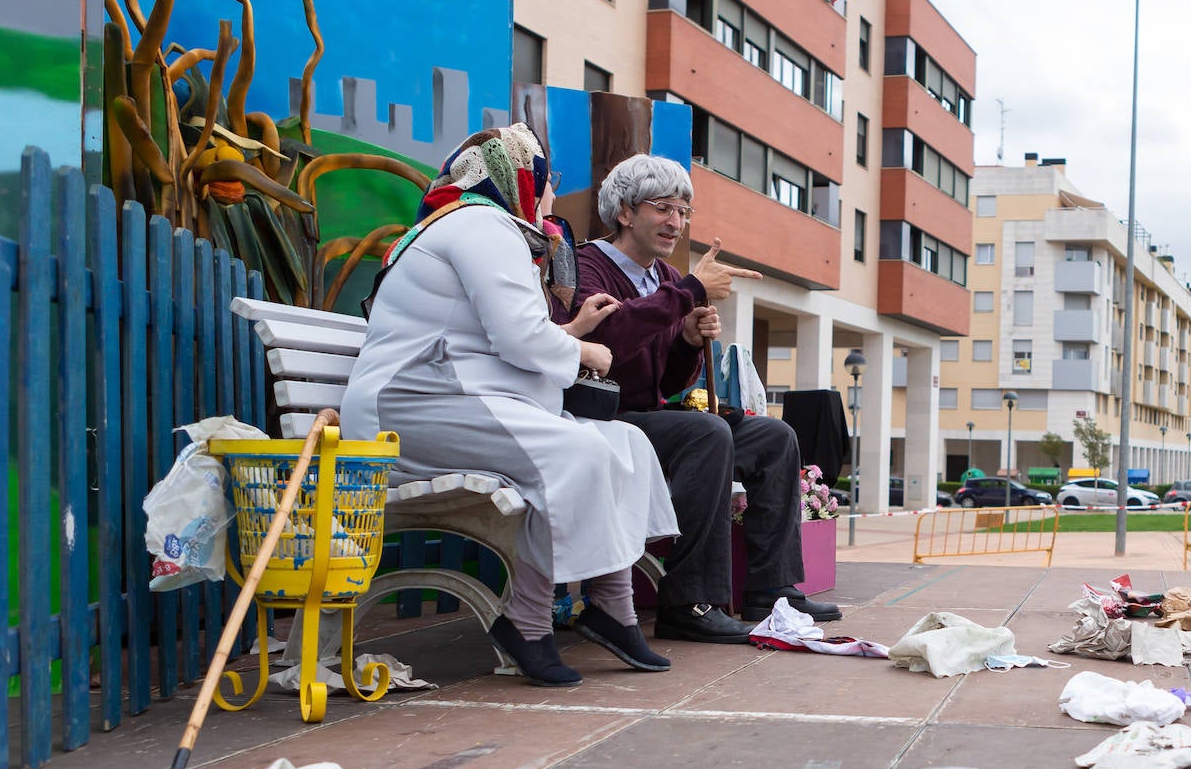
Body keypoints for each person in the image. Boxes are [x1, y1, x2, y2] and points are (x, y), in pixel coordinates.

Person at [340, 125, 679, 686]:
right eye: (546, 179)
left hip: (452, 397)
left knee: (628, 442)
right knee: (576, 452)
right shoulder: (482, 225)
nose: (550, 193)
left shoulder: (484, 227)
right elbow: (520, 337)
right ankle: (527, 621)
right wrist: (585, 349)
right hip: (412, 408)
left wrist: (567, 341)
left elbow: (497, 338)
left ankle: (612, 609)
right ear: (519, 178)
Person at [574, 153, 842, 642]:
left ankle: (771, 589)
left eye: (683, 211)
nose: (675, 222)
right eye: (663, 208)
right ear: (625, 212)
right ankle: (689, 601)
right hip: (605, 419)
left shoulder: (668, 280)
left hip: (654, 419)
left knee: (774, 436)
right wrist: (689, 292)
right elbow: (606, 342)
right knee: (706, 431)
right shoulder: (586, 264)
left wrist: (688, 342)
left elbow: (671, 376)